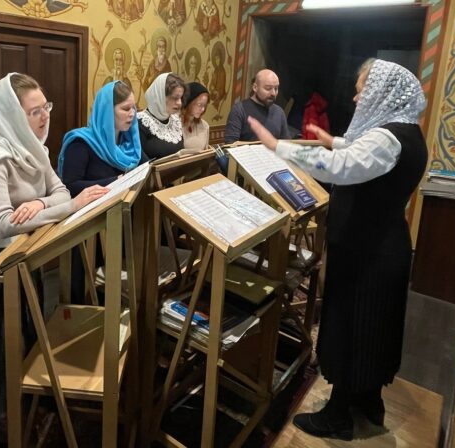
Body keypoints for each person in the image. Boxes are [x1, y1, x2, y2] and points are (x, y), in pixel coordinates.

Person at [247, 59, 429, 440]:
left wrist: (279, 147)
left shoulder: (388, 138)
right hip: (381, 248)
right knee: (373, 330)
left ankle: (337, 416)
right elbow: (364, 153)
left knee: (352, 327)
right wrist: (335, 141)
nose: (356, 97)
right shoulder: (406, 131)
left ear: (383, 93)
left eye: (363, 90)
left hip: (367, 254)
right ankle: (368, 401)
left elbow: (344, 167)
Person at [0, 73, 106, 445]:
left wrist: (39, 203)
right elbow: (4, 223)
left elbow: (60, 191)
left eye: (45, 107)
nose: (45, 116)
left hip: (28, 258)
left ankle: (26, 406)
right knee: (0, 351)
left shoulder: (34, 149)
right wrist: (68, 206)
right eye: (34, 111)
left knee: (27, 339)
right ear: (13, 115)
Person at [59, 80, 142, 195]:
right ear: (107, 112)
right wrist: (117, 181)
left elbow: (148, 166)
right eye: (126, 109)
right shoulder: (81, 143)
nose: (132, 114)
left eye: (134, 107)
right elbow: (70, 186)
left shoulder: (128, 141)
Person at [224, 68, 289, 143]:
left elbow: (285, 144)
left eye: (276, 88)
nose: (273, 93)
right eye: (268, 88)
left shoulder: (279, 112)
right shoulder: (239, 110)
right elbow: (230, 144)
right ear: (255, 87)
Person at [137, 72, 185, 159]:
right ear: (160, 96)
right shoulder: (141, 122)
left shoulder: (176, 120)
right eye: (175, 98)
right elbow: (139, 160)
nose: (179, 103)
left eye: (180, 98)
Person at [181, 81, 209, 151]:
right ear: (189, 102)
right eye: (199, 105)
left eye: (205, 105)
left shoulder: (205, 126)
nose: (203, 109)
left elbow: (206, 152)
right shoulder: (175, 125)